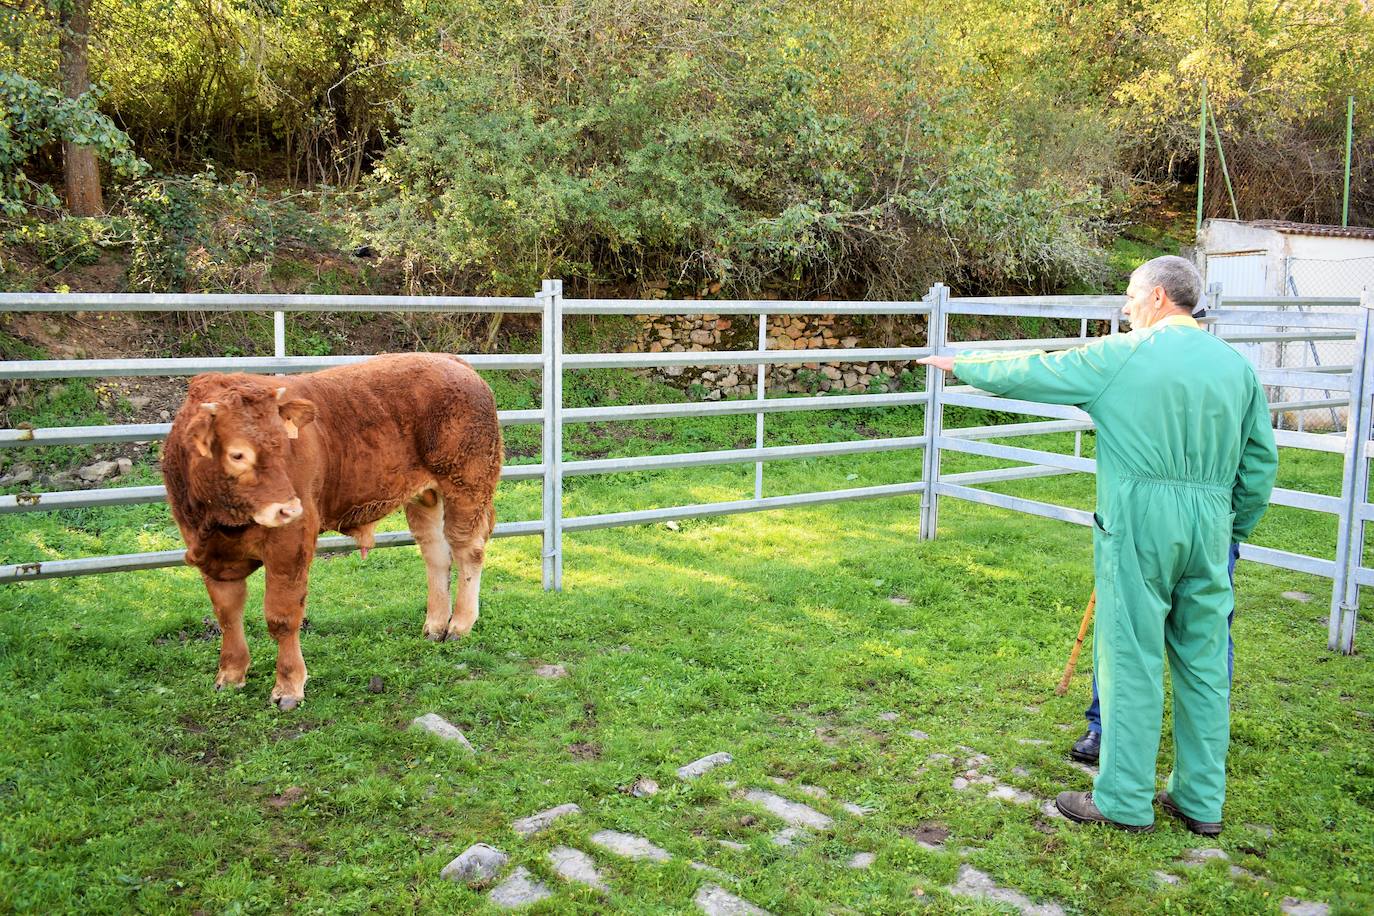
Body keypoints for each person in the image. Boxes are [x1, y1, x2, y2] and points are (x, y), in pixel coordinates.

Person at [919, 256, 1278, 834]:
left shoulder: (1124, 356)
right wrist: (1231, 528)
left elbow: (1038, 371)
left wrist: (964, 365)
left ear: (1160, 297)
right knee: (1205, 662)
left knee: (1130, 659)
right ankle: (1200, 800)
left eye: (1132, 295)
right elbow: (1260, 462)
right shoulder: (1236, 367)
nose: (1127, 306)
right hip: (1212, 521)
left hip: (1140, 521)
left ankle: (1124, 800)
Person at [1071, 542, 1237, 766]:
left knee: (1209, 641)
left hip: (1214, 534)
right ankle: (1105, 726)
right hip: (1147, 532)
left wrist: (1226, 524)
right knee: (1128, 630)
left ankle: (1207, 747)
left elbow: (1251, 505)